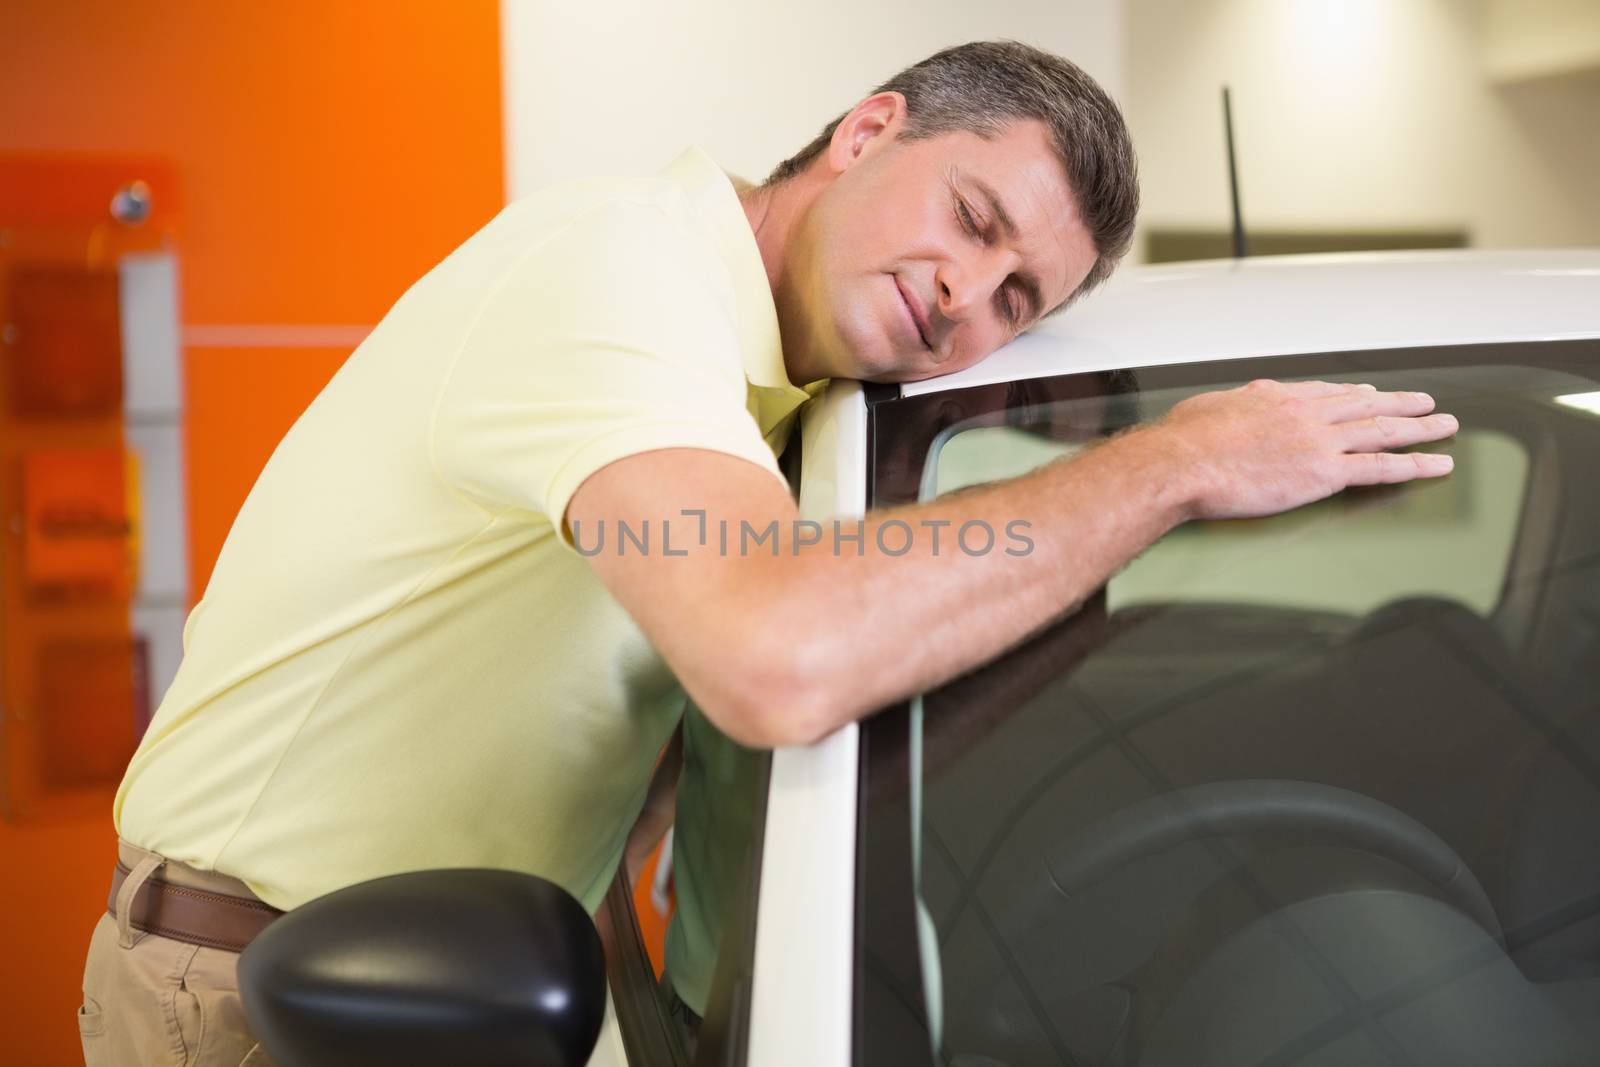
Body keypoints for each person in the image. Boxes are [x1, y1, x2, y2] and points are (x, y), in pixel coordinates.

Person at [80, 40, 1457, 1066]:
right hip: (258, 997)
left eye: (1015, 299)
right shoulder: (622, 279)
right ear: (867, 132)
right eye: (973, 221)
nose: (966, 300)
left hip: (489, 980)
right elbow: (779, 657)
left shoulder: (795, 401)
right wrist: (1179, 459)